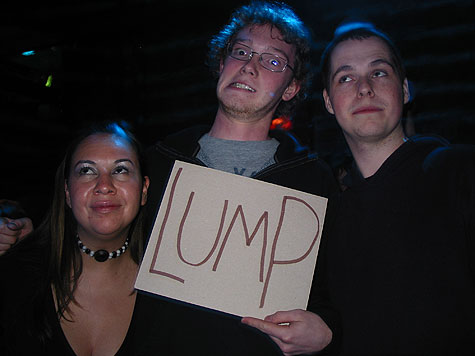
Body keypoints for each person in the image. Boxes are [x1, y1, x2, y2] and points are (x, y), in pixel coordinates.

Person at [1, 2, 338, 354]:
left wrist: (328, 333)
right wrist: (26, 230)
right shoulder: (157, 163)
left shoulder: (313, 181)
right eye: (241, 52)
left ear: (292, 88)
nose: (250, 66)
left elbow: (333, 292)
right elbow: (95, 225)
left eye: (272, 60)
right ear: (222, 63)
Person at [315, 23, 475, 354]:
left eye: (379, 73)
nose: (364, 88)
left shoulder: (459, 173)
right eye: (346, 77)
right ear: (329, 102)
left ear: (404, 90)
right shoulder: (322, 221)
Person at [0, 122, 151, 355]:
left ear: (143, 190)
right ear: (68, 193)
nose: (104, 186)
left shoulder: (168, 293)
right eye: (87, 171)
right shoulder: (15, 278)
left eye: (120, 170)